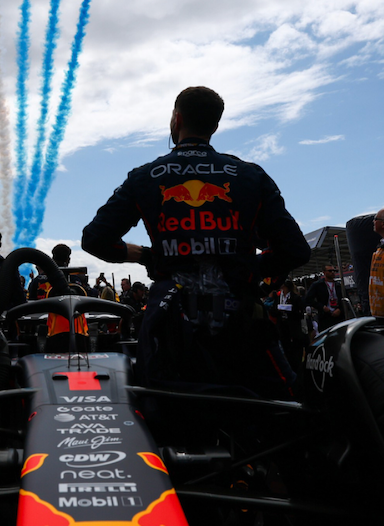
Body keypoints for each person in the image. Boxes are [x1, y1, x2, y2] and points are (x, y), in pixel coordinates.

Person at [82, 86, 311, 396]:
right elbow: (295, 250)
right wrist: (249, 267)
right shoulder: (250, 176)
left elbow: (96, 239)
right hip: (242, 325)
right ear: (215, 126)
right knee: (286, 413)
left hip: (171, 328)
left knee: (163, 421)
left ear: (176, 120)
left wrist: (148, 256)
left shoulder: (145, 177)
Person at [303, 264, 346, 332]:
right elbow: (308, 299)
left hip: (339, 317)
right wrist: (322, 307)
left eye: (334, 271)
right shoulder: (317, 285)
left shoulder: (338, 285)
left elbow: (345, 299)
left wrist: (340, 309)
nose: (332, 272)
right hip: (325, 317)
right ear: (324, 272)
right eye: (330, 271)